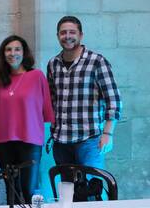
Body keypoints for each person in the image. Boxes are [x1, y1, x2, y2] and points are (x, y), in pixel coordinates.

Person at [47, 16, 121, 169]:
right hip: (61, 142)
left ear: (80, 35)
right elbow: (52, 99)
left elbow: (113, 100)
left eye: (72, 32)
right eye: (63, 32)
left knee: (93, 183)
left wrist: (108, 134)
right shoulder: (53, 64)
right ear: (58, 36)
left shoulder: (97, 61)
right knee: (66, 183)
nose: (67, 36)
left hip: (89, 141)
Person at [0, 35, 54, 203]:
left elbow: (46, 106)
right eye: (8, 50)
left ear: (24, 53)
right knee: (11, 190)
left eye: (17, 49)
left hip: (30, 139)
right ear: (3, 54)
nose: (13, 53)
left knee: (29, 189)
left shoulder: (37, 76)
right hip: (3, 141)